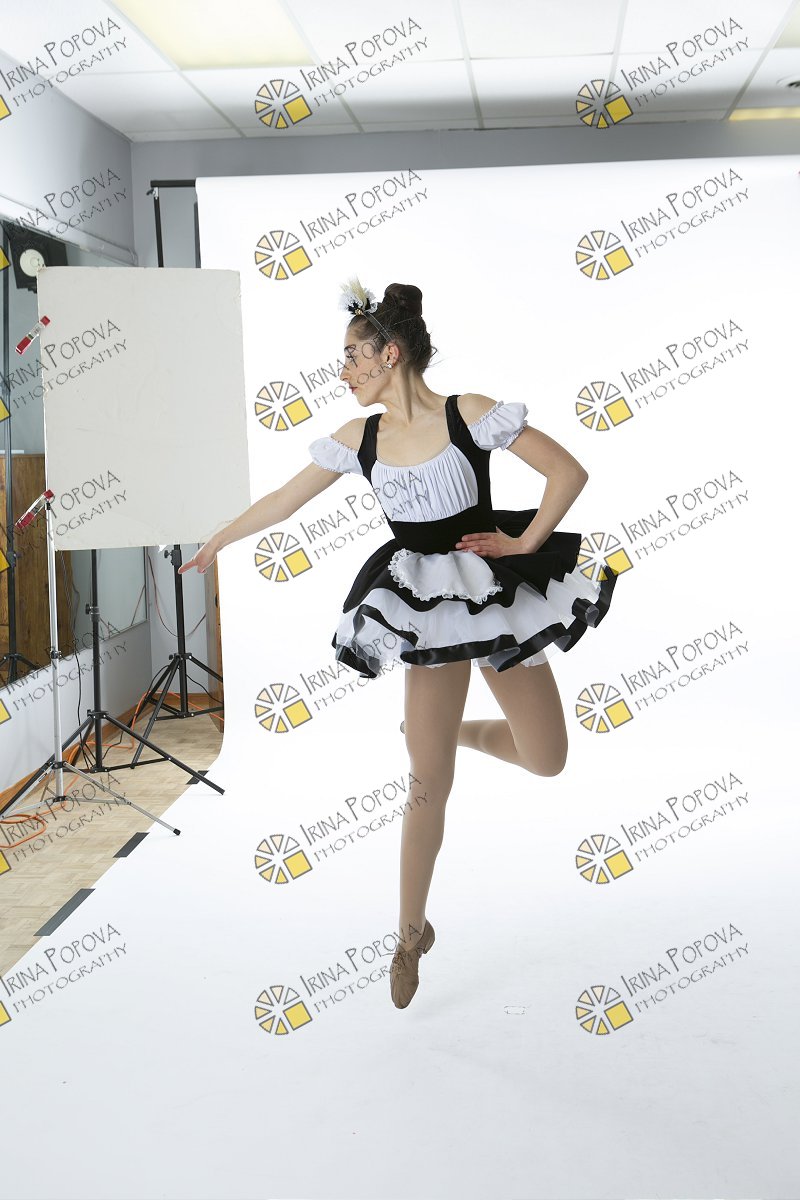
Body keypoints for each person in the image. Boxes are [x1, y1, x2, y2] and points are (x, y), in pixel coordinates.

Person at [180, 277, 619, 1011]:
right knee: (427, 780)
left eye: (352, 357)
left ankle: (464, 733)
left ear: (390, 354)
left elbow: (567, 472)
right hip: (424, 608)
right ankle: (411, 935)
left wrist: (524, 542)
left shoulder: (469, 414)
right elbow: (284, 501)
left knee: (548, 759)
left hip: (494, 593)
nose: (343, 372)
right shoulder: (361, 439)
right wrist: (218, 540)